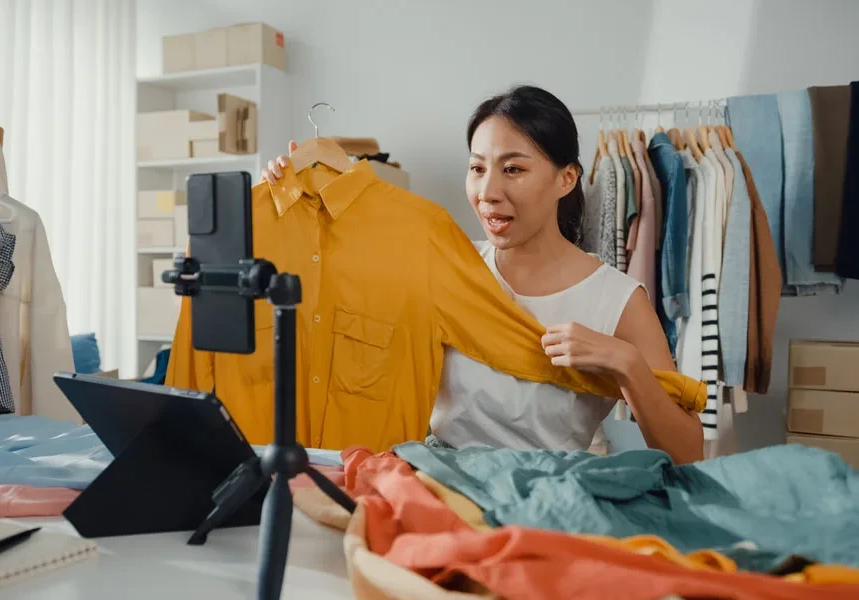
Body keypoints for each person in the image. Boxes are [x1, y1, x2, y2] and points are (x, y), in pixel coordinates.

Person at [261, 85, 704, 464]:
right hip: (434, 494)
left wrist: (625, 364)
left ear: (566, 179)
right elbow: (337, 281)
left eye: (513, 169)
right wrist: (295, 197)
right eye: (477, 168)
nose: (488, 193)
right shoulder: (444, 267)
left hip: (544, 509)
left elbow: (688, 455)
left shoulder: (619, 301)